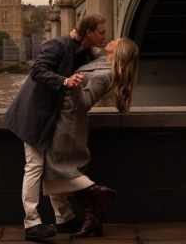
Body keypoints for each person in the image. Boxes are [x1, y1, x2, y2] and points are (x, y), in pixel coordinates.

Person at [1, 14, 107, 241]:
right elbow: (37, 71)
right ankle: (31, 223)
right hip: (34, 114)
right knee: (35, 166)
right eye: (101, 32)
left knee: (52, 166)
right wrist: (65, 81)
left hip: (53, 117)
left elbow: (103, 55)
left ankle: (64, 218)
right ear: (89, 32)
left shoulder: (85, 49)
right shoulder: (56, 44)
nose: (105, 37)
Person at [42, 38, 140, 238]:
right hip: (62, 120)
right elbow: (91, 47)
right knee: (58, 172)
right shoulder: (102, 60)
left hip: (68, 125)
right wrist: (78, 36)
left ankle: (98, 192)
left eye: (115, 40)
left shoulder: (104, 76)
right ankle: (80, 219)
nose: (111, 39)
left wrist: (75, 86)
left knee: (61, 171)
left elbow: (84, 103)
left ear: (119, 49)